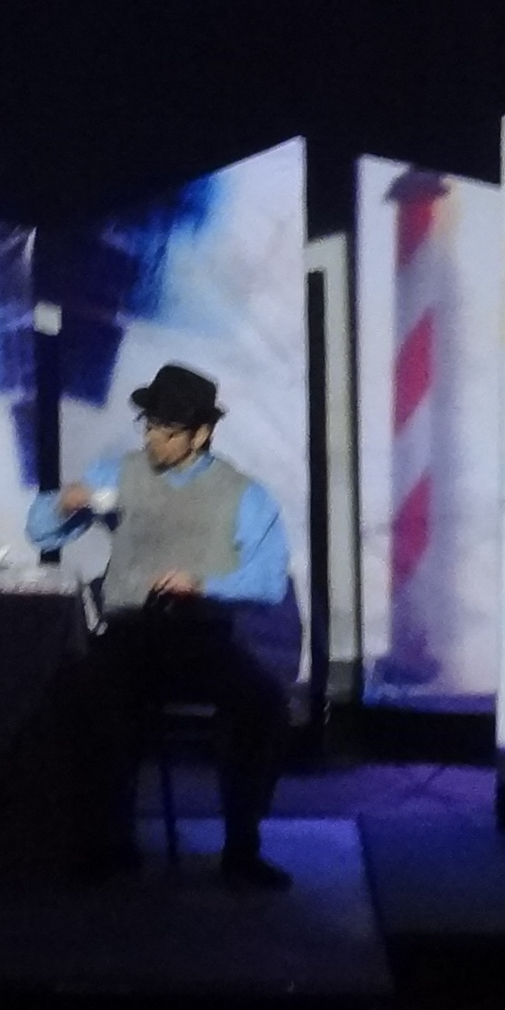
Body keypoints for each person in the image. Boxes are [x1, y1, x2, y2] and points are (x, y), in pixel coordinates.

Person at [28, 362, 300, 889]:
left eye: (168, 431)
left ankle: (242, 847)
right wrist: (62, 503)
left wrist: (204, 584)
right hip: (130, 633)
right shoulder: (120, 474)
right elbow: (41, 531)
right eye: (149, 426)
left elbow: (268, 580)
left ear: (201, 433)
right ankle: (106, 842)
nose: (154, 438)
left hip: (202, 639)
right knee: (82, 695)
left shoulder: (242, 493)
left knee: (262, 704)